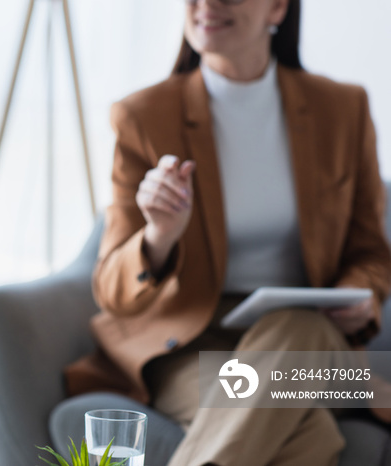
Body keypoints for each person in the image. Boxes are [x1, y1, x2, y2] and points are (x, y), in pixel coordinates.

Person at [63, 0, 391, 464]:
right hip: (190, 344)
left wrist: (360, 293)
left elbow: (371, 253)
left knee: (297, 327)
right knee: (309, 434)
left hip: (315, 337)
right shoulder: (143, 115)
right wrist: (159, 236)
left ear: (277, 8)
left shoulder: (342, 109)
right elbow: (112, 292)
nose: (207, 4)